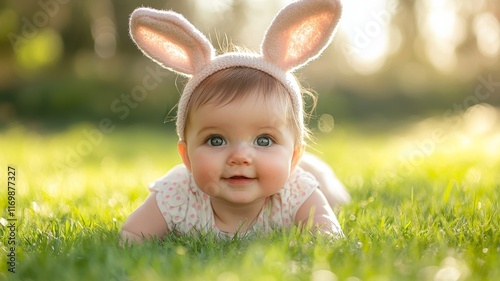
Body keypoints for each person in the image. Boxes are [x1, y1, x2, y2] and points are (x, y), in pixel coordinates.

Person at [121, 0, 349, 244]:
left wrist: (325, 236)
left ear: (293, 157)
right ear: (186, 156)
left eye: (264, 140)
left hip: (310, 176)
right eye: (216, 140)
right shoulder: (177, 195)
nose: (240, 156)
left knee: (334, 198)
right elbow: (132, 234)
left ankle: (321, 174)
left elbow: (330, 237)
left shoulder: (296, 192)